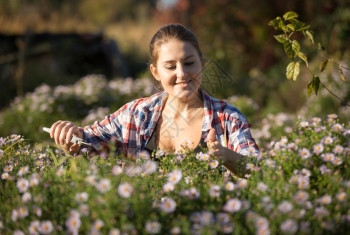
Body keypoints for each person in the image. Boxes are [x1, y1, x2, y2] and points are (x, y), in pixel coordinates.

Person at [48, 24, 260, 177]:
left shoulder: (228, 118)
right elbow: (88, 142)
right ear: (155, 72)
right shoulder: (136, 114)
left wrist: (225, 155)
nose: (182, 73)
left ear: (202, 64)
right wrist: (71, 138)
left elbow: (258, 170)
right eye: (170, 66)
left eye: (189, 63)